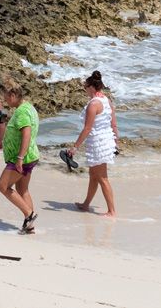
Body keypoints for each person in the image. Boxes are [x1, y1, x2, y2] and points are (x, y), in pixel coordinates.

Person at [64, 70, 119, 217]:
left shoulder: (93, 104)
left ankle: (112, 211)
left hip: (98, 142)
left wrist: (75, 147)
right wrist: (116, 141)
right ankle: (86, 204)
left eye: (85, 88)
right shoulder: (107, 100)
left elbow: (87, 128)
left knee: (102, 177)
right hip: (105, 140)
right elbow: (113, 124)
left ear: (91, 87)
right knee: (93, 175)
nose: (85, 90)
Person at [0, 79, 40, 234]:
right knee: (22, 190)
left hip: (22, 158)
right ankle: (30, 226)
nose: (5, 101)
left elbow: (26, 133)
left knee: (3, 186)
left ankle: (29, 215)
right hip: (31, 156)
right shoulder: (28, 107)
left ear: (14, 95)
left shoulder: (22, 111)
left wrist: (20, 158)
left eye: (6, 97)